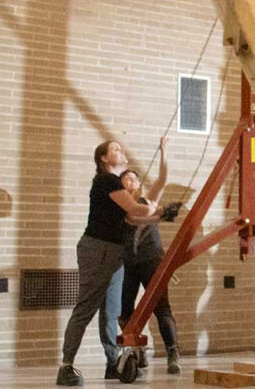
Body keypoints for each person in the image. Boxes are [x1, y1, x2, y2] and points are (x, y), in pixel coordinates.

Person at [57, 141, 158, 387]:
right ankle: (66, 366)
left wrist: (160, 215)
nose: (121, 151)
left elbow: (132, 218)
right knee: (86, 308)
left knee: (111, 313)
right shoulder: (106, 181)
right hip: (97, 249)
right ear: (103, 158)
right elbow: (136, 208)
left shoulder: (115, 185)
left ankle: (112, 363)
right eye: (115, 149)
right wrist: (157, 208)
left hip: (113, 253)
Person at [118, 138, 181, 375]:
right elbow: (133, 219)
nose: (130, 180)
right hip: (129, 262)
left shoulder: (148, 201)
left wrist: (164, 152)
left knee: (161, 307)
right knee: (125, 312)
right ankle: (137, 349)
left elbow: (163, 178)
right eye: (125, 178)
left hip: (151, 259)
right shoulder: (121, 207)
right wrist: (160, 216)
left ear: (138, 183)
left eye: (133, 177)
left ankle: (173, 352)